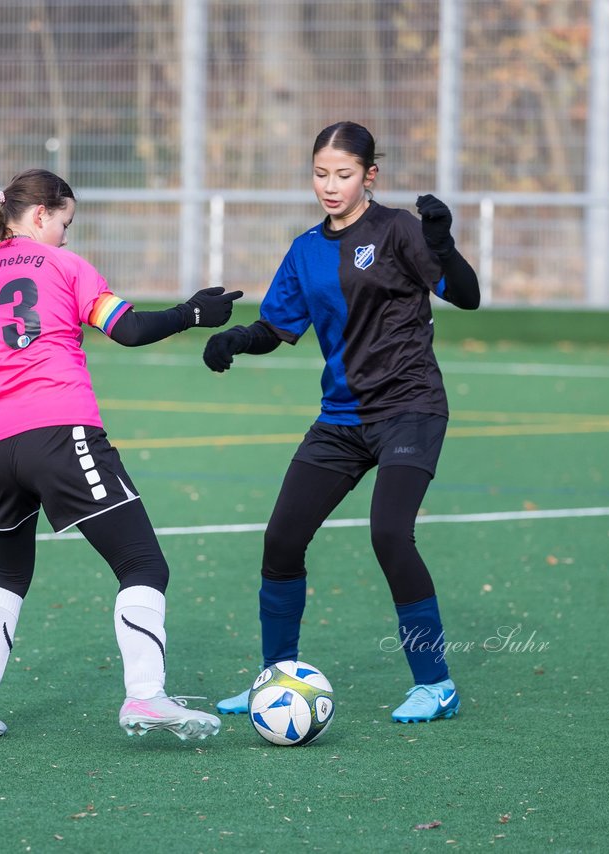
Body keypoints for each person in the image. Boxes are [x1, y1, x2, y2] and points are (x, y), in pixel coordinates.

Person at [0, 168, 242, 742]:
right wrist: (193, 312)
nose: (66, 234)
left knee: (7, 573)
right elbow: (129, 329)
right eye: (65, 222)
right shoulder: (62, 265)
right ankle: (145, 697)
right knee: (143, 565)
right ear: (40, 215)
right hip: (61, 433)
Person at [202, 121, 481, 723]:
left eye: (344, 174)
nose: (330, 186)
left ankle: (436, 684)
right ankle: (276, 677)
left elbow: (467, 295)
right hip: (341, 419)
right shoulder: (306, 248)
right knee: (282, 540)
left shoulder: (400, 229)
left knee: (389, 534)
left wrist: (444, 245)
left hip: (409, 408)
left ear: (369, 176)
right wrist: (236, 339)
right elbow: (277, 327)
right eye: (320, 174)